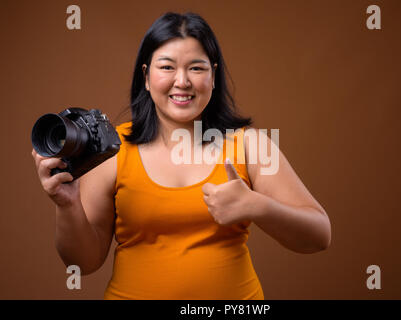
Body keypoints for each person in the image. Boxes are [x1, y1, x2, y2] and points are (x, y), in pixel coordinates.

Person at [31, 12, 331, 300]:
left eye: (197, 68)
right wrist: (67, 204)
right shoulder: (113, 149)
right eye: (167, 67)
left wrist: (258, 206)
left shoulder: (248, 145)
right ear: (146, 77)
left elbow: (319, 235)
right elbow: (83, 263)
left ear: (213, 76)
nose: (182, 81)